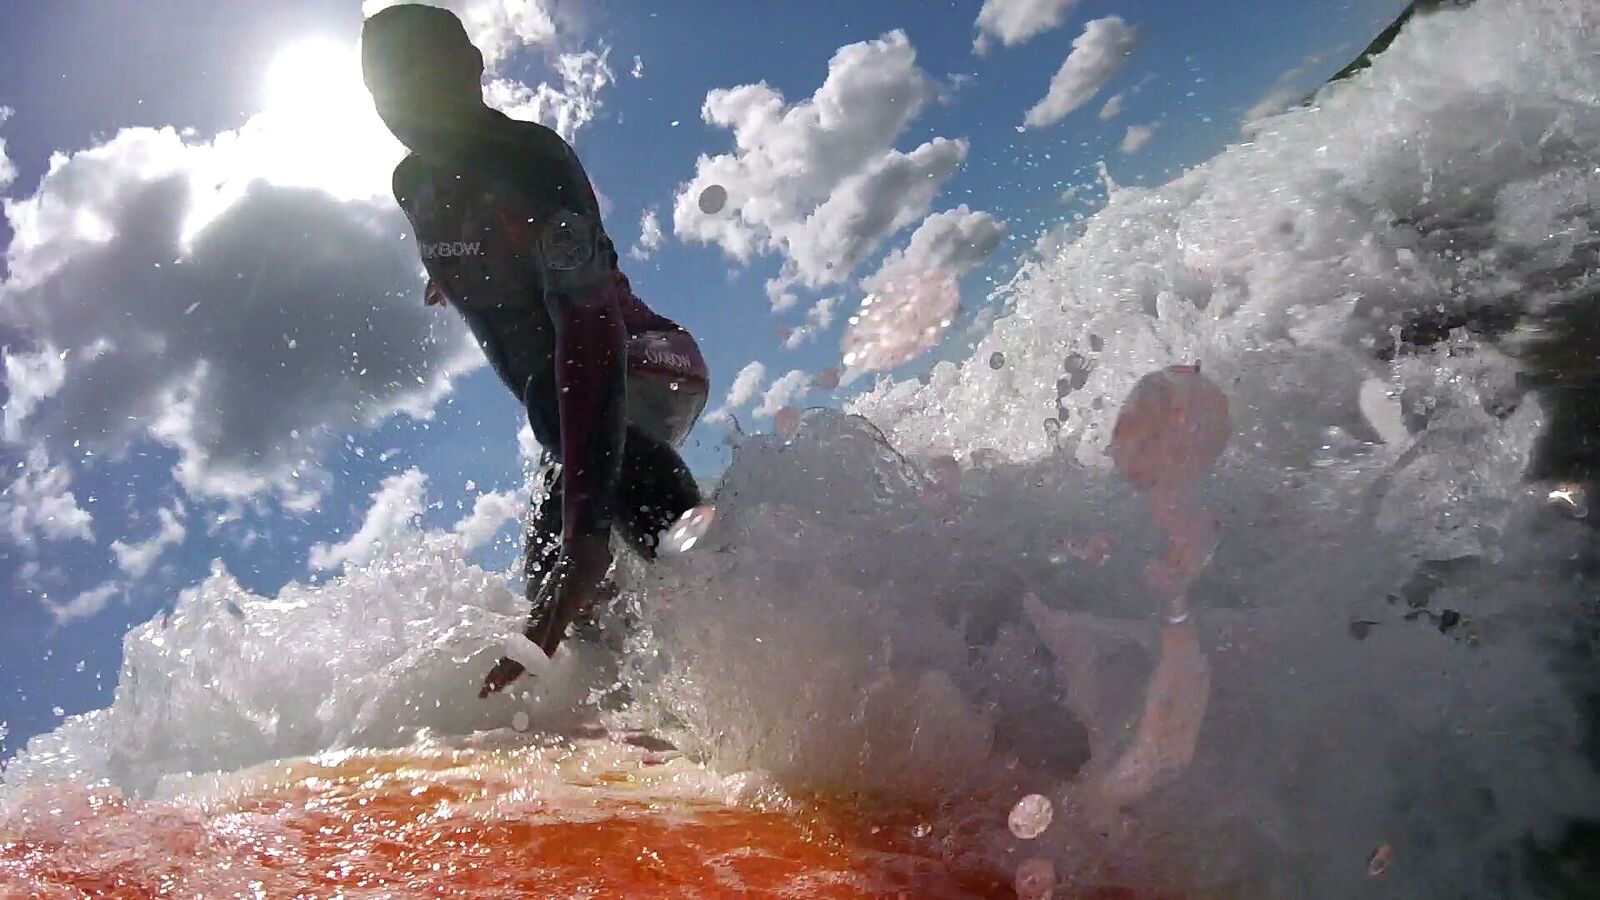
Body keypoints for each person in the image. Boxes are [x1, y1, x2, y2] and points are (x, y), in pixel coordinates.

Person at [360, 5, 709, 697]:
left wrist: (588, 542)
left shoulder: (532, 162)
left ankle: (739, 591)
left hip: (641, 356)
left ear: (471, 67)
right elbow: (470, 238)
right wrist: (451, 272)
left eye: (421, 79)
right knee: (547, 587)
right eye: (385, 91)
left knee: (562, 451)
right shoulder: (413, 185)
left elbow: (588, 331)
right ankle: (651, 708)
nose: (406, 107)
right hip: (573, 401)